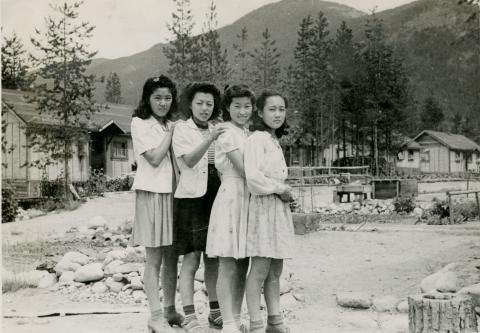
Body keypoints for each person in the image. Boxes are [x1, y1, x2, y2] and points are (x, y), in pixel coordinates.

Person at [172, 82, 227, 332]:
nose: (205, 108)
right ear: (190, 104)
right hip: (192, 199)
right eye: (199, 103)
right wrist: (210, 139)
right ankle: (190, 315)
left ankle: (215, 312)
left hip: (216, 194)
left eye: (209, 104)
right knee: (192, 259)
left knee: (213, 258)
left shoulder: (218, 128)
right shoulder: (182, 129)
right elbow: (190, 161)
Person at [130, 75, 184, 332]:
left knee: (172, 256)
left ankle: (170, 309)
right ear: (147, 99)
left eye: (167, 98)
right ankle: (154, 316)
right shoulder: (140, 123)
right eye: (157, 98)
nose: (163, 103)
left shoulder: (168, 124)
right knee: (154, 259)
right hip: (152, 193)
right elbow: (154, 158)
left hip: (174, 194)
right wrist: (172, 132)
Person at [244, 90, 295, 333]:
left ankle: (275, 321)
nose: (277, 114)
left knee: (276, 269)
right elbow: (253, 179)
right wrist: (280, 188)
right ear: (260, 112)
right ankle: (255, 323)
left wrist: (283, 191)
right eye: (272, 109)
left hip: (277, 207)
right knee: (261, 268)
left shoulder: (273, 140)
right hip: (264, 207)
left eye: (281, 109)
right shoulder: (256, 139)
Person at [206, 85, 255, 333]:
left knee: (243, 262)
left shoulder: (248, 134)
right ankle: (227, 323)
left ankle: (236, 317)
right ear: (227, 108)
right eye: (236, 106)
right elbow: (244, 168)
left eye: (247, 106)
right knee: (228, 262)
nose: (242, 111)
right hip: (232, 195)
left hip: (249, 197)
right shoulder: (226, 132)